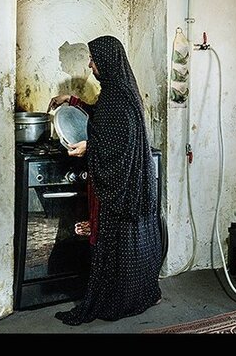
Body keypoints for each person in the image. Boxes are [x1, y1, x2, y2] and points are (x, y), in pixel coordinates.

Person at [48, 35, 162, 326]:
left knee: (118, 242)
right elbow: (103, 119)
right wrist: (72, 100)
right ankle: (137, 295)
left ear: (107, 62)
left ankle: (119, 301)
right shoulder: (117, 91)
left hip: (121, 186)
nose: (90, 65)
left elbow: (119, 140)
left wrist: (88, 147)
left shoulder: (118, 97)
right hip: (130, 182)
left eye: (93, 59)